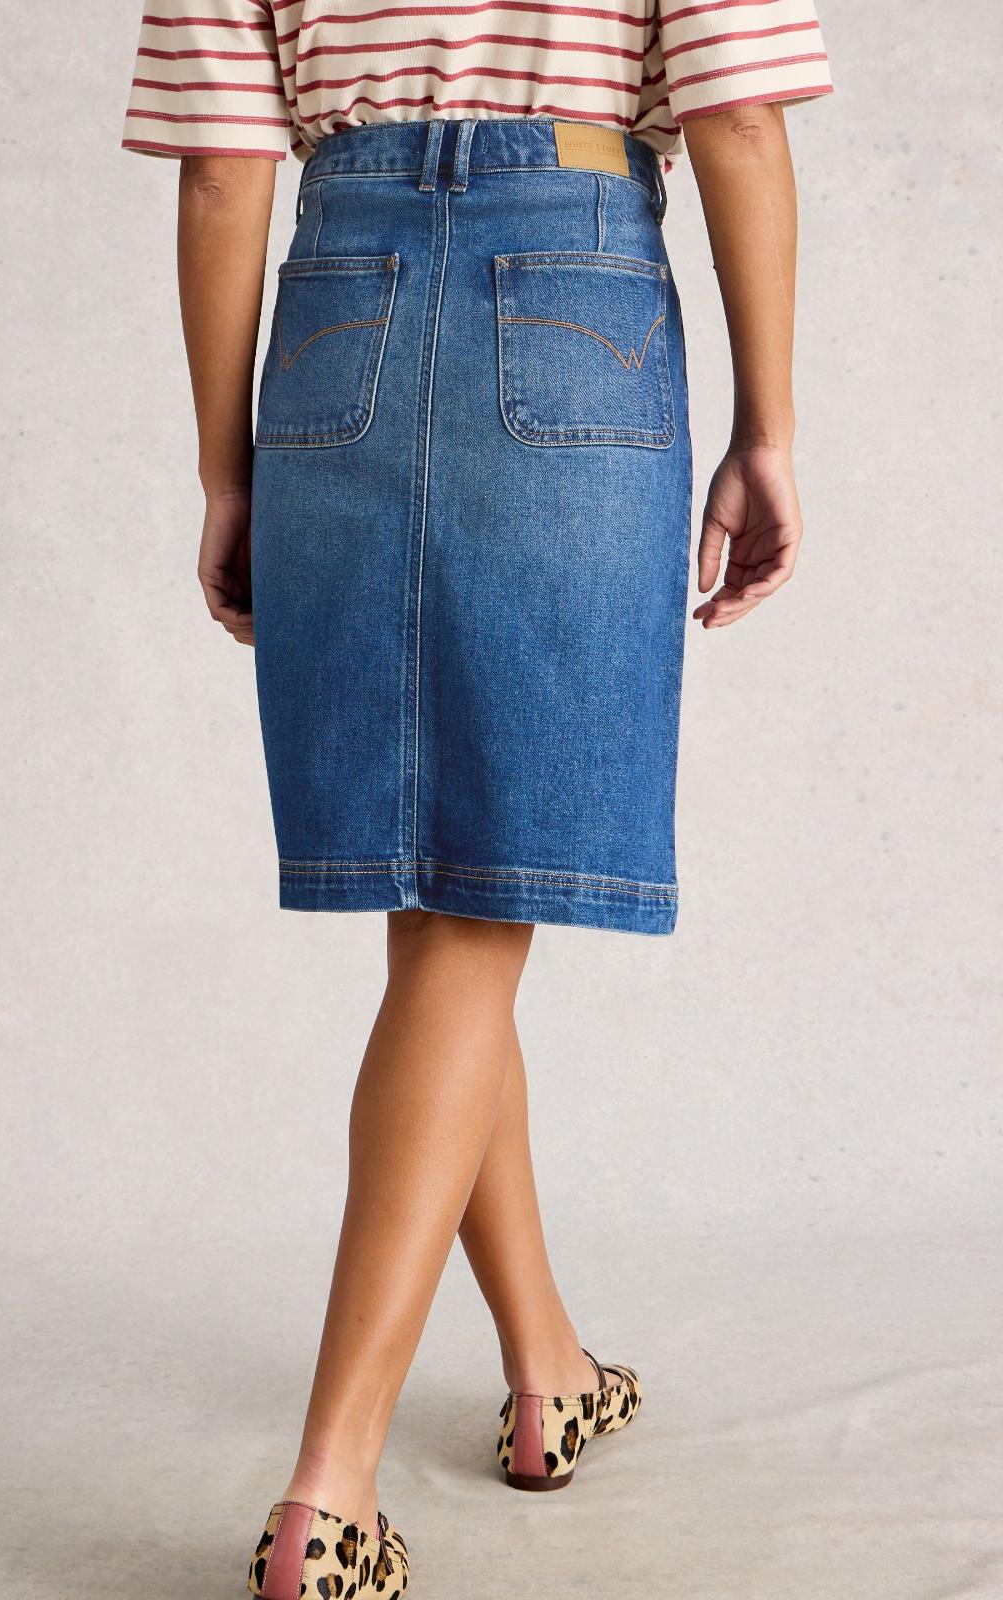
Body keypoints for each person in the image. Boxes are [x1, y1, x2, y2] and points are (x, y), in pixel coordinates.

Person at [122, 3, 831, 1593]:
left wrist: (226, 470)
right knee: (467, 912)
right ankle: (330, 1491)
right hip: (573, 286)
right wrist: (772, 429)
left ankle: (548, 1368)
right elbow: (737, 115)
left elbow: (224, 172)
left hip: (338, 300)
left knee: (451, 886)